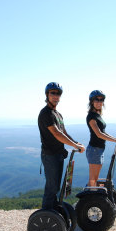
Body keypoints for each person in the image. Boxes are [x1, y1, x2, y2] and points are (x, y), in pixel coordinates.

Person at [38, 82, 86, 210]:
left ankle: (53, 211)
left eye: (58, 93)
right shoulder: (45, 113)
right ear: (47, 95)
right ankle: (46, 216)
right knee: (51, 187)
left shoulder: (58, 114)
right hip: (50, 155)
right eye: (52, 93)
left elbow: (64, 132)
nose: (55, 96)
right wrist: (74, 145)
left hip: (58, 154)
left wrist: (76, 143)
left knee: (56, 187)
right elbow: (56, 133)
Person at [86, 90, 116, 187]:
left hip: (99, 149)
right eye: (97, 100)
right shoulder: (91, 116)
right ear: (92, 101)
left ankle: (93, 199)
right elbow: (99, 134)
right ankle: (88, 200)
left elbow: (103, 132)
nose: (99, 102)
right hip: (94, 149)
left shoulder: (97, 115)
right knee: (93, 179)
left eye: (101, 100)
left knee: (95, 178)